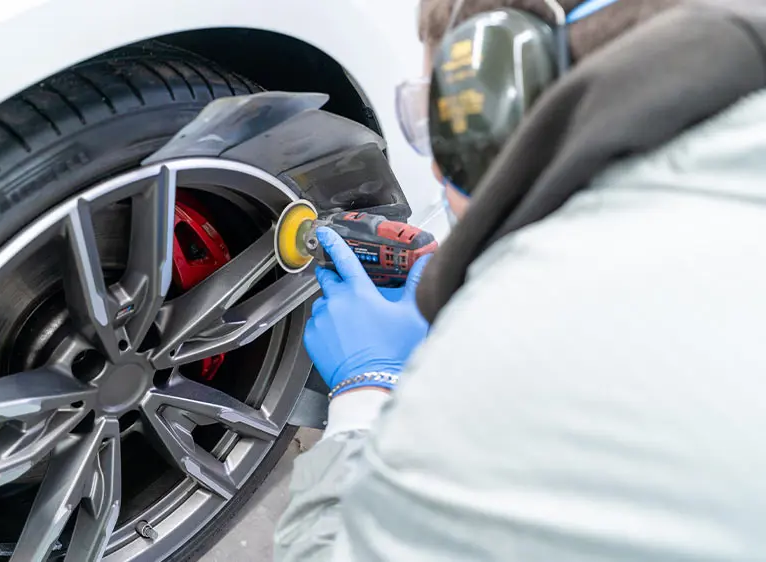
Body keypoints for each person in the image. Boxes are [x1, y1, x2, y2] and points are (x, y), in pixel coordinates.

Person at [276, 0, 766, 560]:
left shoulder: (512, 358)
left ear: (490, 118)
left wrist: (364, 390)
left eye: (440, 122)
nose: (435, 167)